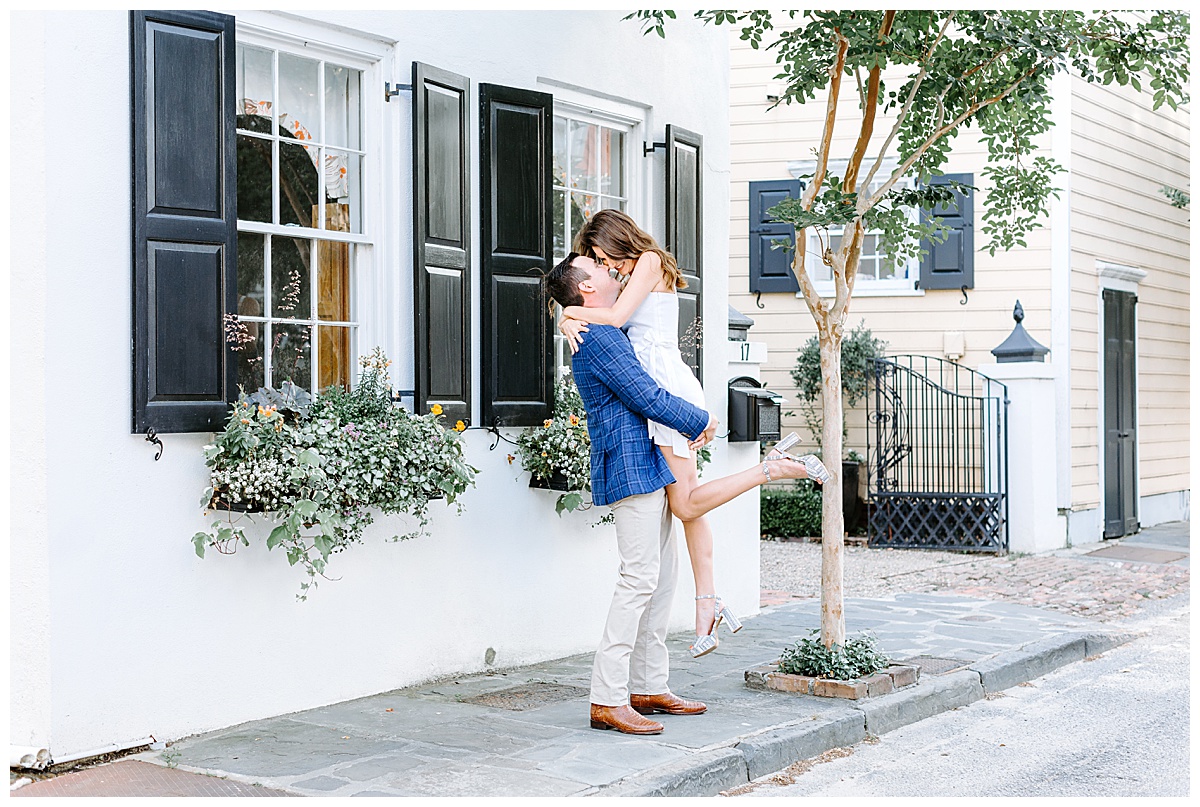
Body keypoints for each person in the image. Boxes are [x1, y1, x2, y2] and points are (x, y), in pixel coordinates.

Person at [546, 252, 820, 736]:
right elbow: (645, 396)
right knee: (637, 581)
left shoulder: (602, 325)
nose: (612, 272)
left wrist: (567, 311)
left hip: (647, 462)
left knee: (662, 580)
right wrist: (702, 421)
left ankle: (649, 686)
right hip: (630, 467)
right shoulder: (601, 336)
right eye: (601, 270)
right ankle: (606, 699)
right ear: (586, 289)